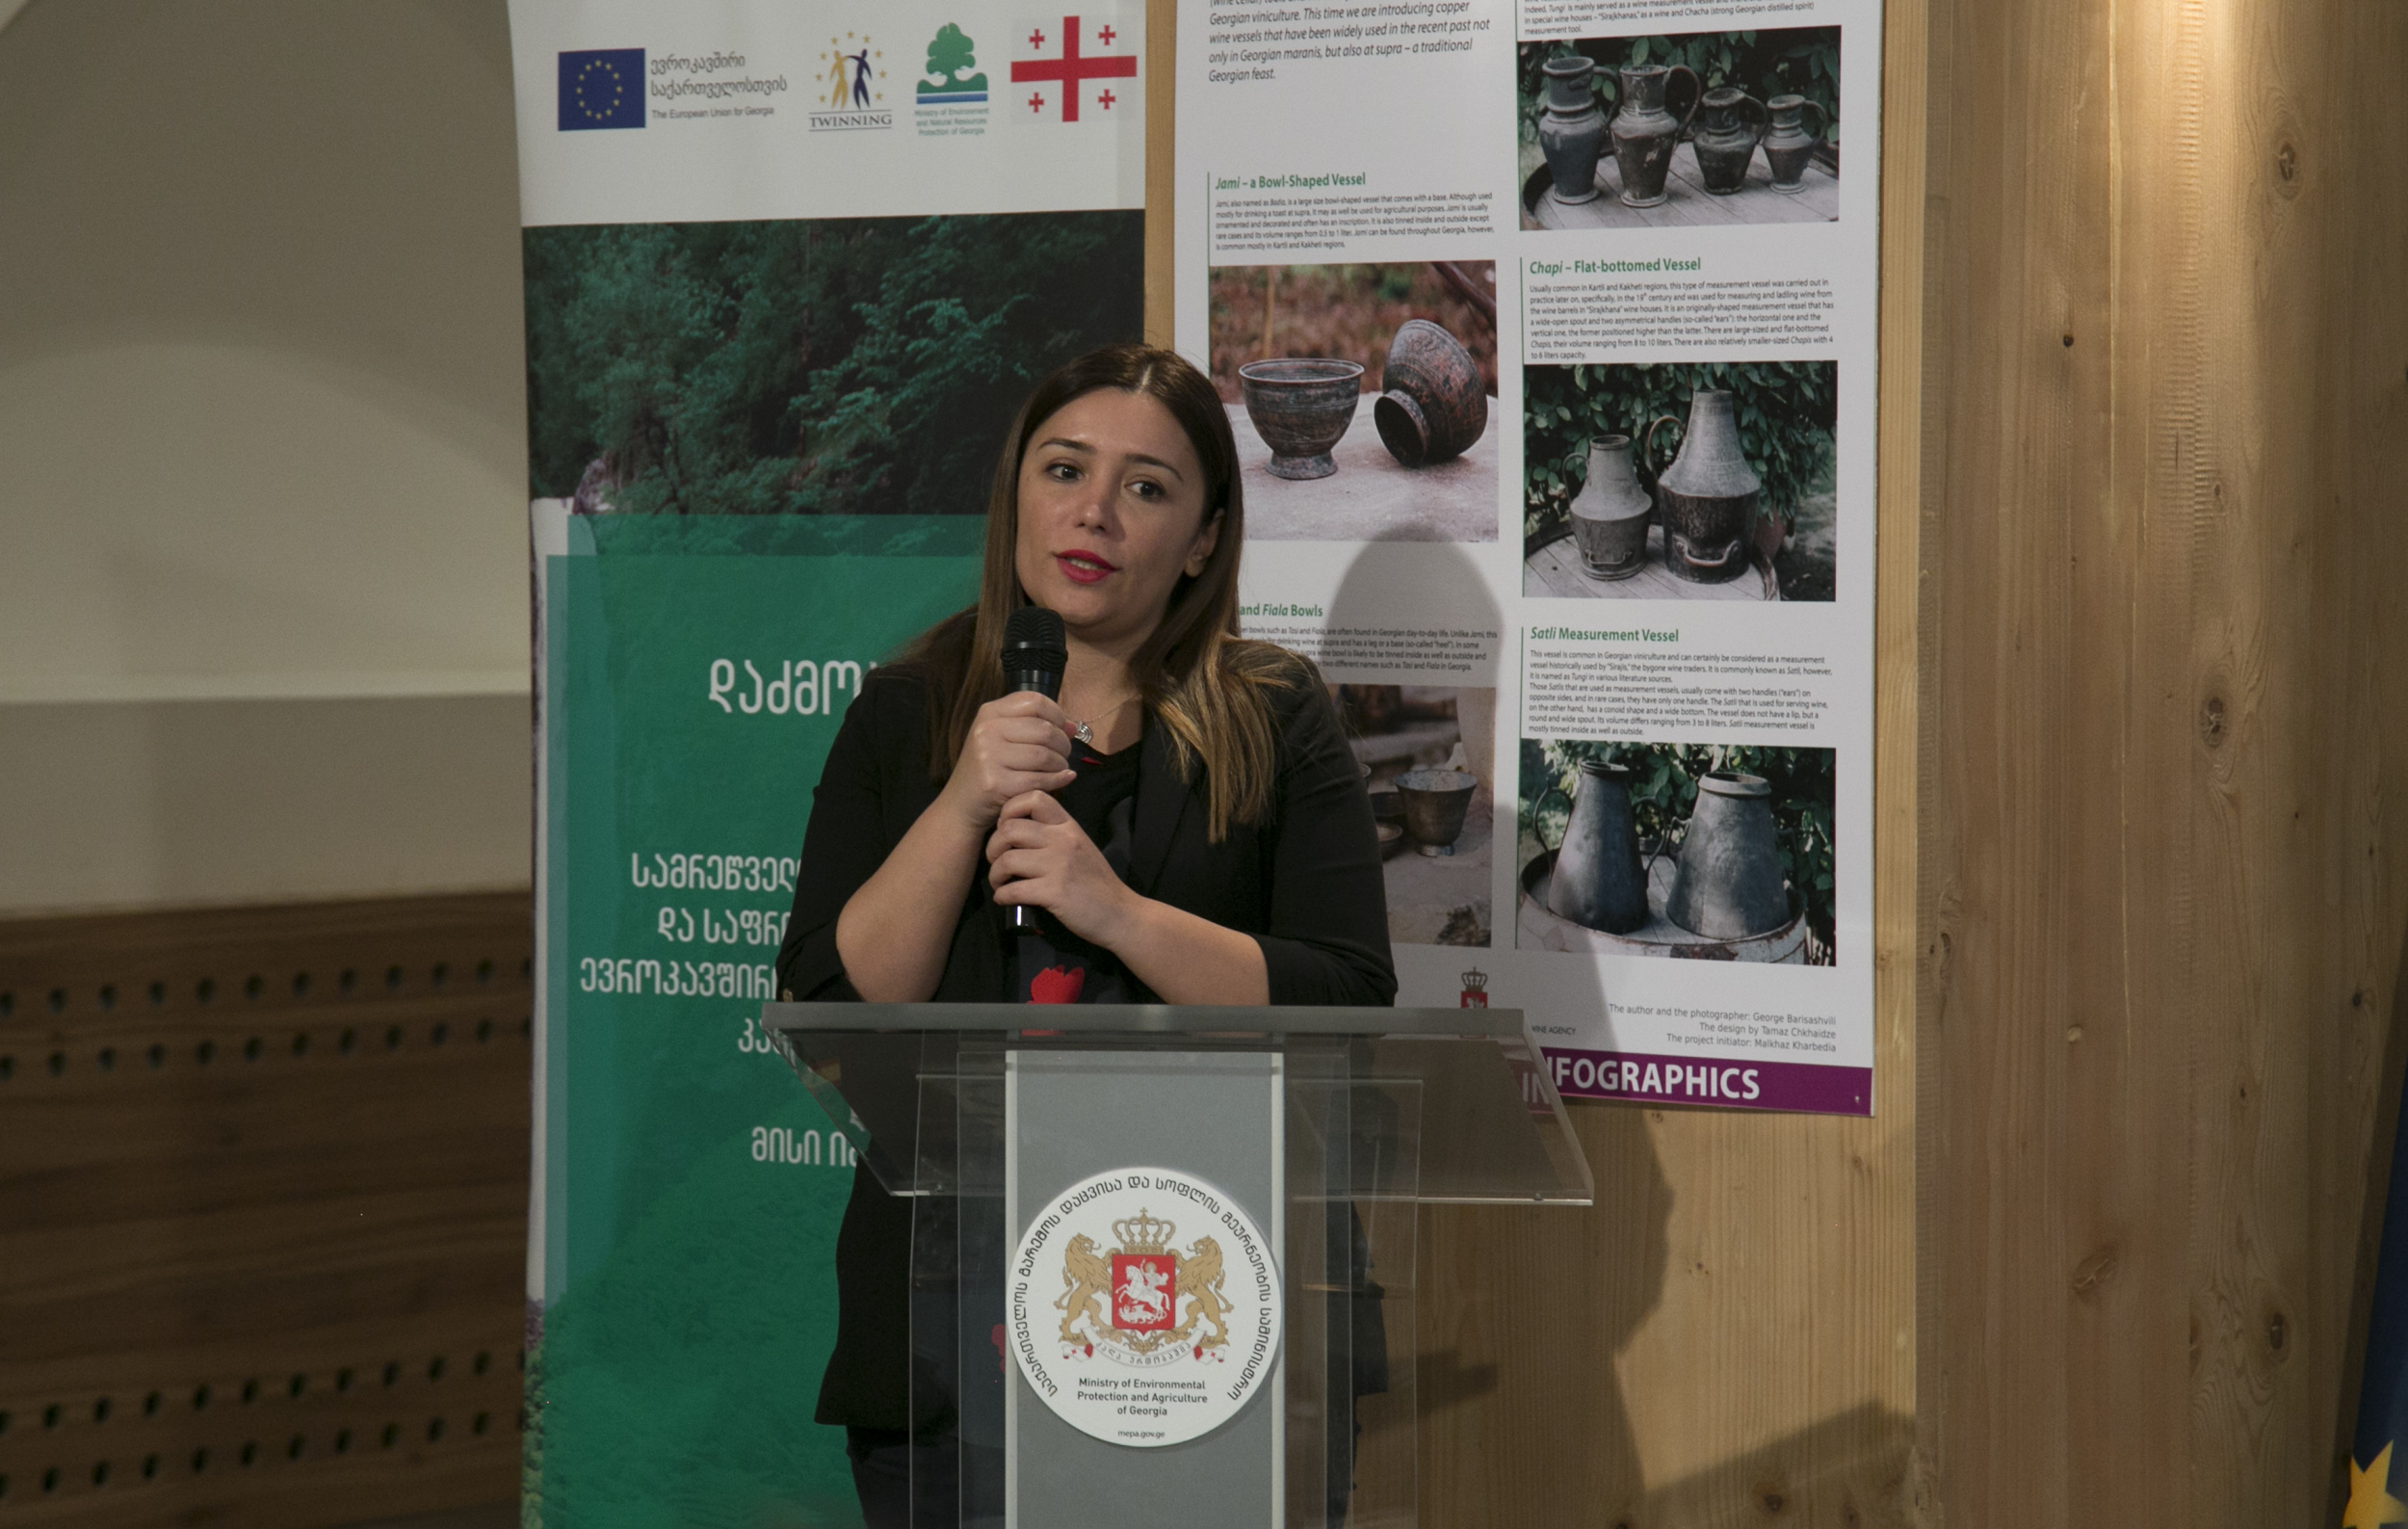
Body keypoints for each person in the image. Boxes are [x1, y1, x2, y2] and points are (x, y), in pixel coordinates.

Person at [773, 344, 1395, 1526]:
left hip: (1212, 1315)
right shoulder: (905, 715)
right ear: (1017, 495)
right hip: (950, 1324)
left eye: (1146, 487)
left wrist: (1116, 912)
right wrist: (962, 800)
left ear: (1203, 540)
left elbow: (1347, 999)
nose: (1094, 512)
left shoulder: (1273, 716)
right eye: (1064, 471)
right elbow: (838, 1007)